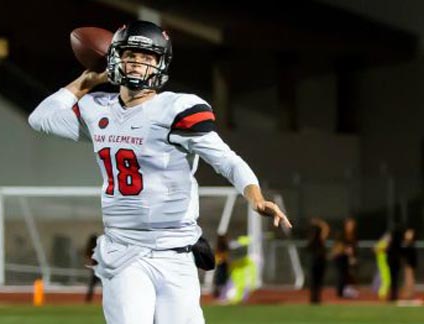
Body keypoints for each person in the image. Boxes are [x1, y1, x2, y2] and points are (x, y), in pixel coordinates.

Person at [29, 20, 291, 324]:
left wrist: (255, 197)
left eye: (147, 57)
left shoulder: (177, 109)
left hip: (175, 251)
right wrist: (84, 82)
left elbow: (227, 160)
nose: (138, 63)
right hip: (124, 250)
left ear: (161, 64)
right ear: (114, 58)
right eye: (131, 55)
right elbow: (41, 118)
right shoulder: (97, 107)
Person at [307, 218, 329, 304]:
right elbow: (326, 228)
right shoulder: (320, 239)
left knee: (314, 281)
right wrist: (320, 222)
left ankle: (314, 298)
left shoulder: (311, 240)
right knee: (318, 281)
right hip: (319, 261)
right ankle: (316, 298)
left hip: (314, 261)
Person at [401, 228, 417, 300]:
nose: (407, 235)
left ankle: (409, 295)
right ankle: (409, 294)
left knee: (409, 279)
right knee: (408, 279)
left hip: (410, 264)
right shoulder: (407, 244)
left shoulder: (410, 243)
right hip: (408, 263)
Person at [84, 233, 100, 303]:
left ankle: (88, 300)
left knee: (92, 285)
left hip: (95, 269)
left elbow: (88, 256)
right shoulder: (99, 247)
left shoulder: (90, 247)